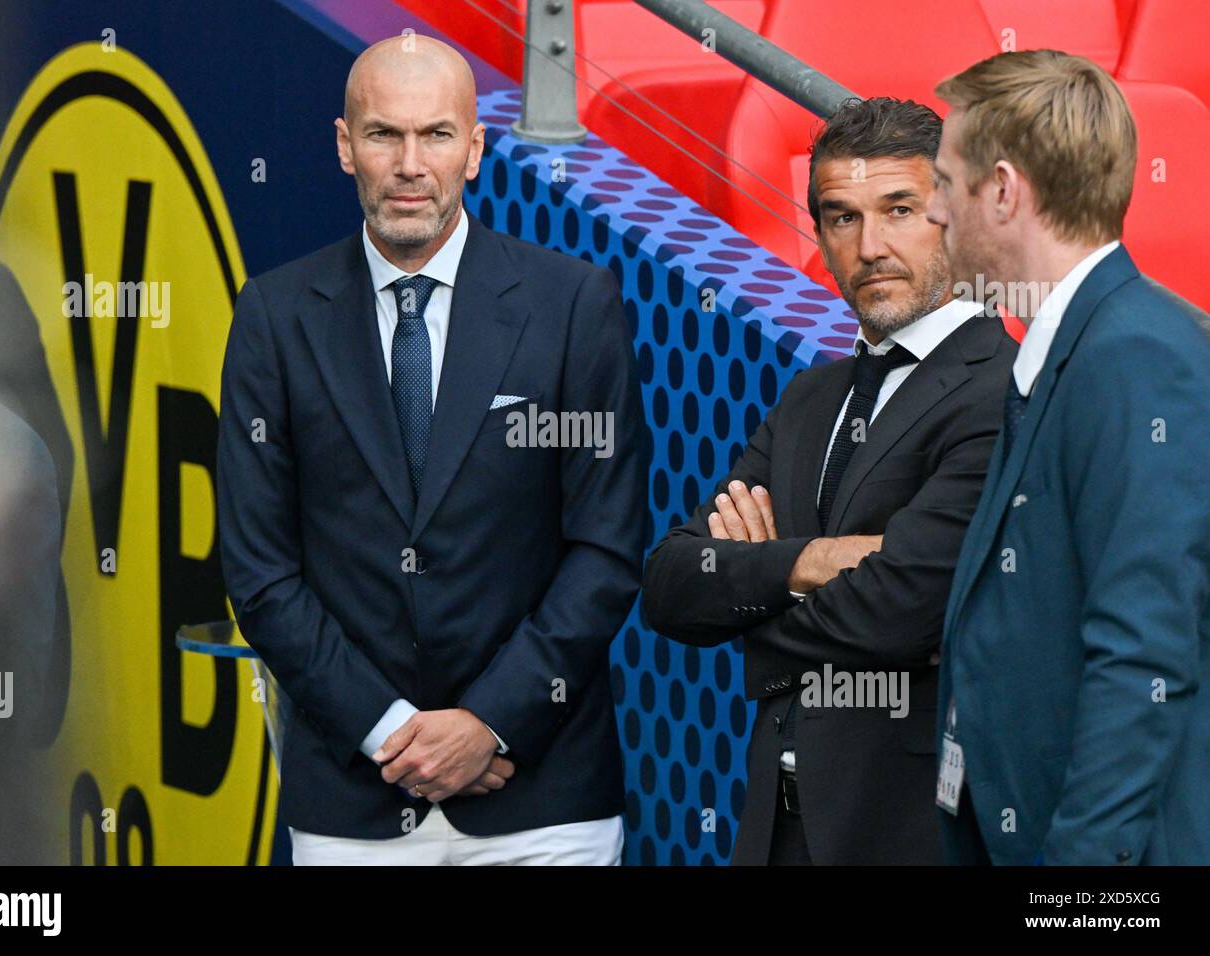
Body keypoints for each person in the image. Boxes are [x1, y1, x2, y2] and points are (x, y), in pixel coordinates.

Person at [216, 34, 646, 865]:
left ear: (476, 148)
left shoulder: (572, 306)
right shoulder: (274, 317)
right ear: (346, 148)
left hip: (543, 799)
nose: (411, 164)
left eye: (437, 135)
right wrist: (390, 733)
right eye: (384, 134)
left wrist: (490, 723)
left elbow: (605, 551)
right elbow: (261, 571)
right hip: (352, 801)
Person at [642, 98, 1015, 864]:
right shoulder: (811, 396)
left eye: (900, 210)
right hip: (772, 829)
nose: (870, 245)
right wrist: (814, 561)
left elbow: (903, 609)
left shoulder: (1005, 390)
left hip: (911, 832)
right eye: (842, 218)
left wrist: (753, 595)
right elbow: (672, 586)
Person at [928, 49, 1210, 865]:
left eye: (947, 182)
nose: (936, 213)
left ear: (1006, 191)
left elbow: (1142, 656)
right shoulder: (1075, 348)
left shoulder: (1136, 362)